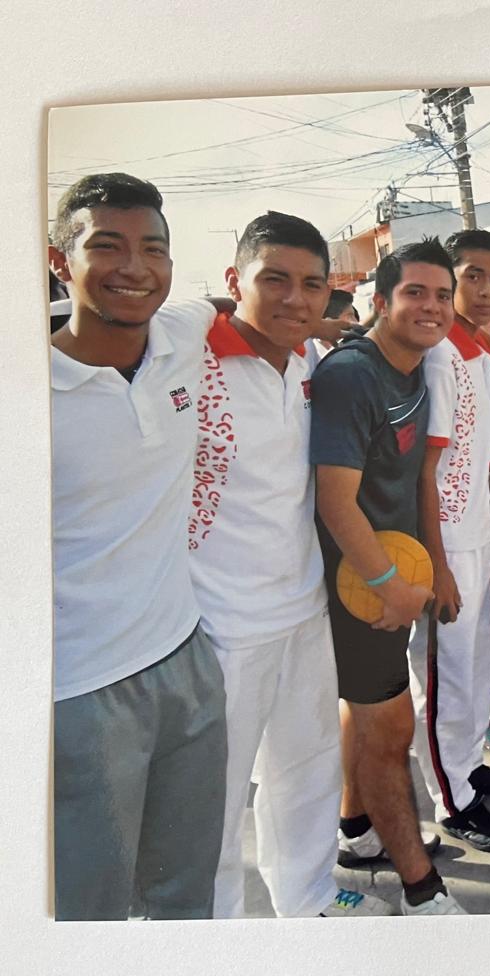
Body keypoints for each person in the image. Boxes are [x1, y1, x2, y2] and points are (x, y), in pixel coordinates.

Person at [187, 212, 391, 918]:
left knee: (305, 770)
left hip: (305, 606)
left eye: (311, 285)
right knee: (211, 798)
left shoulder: (310, 362)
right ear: (234, 279)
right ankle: (215, 931)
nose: (294, 299)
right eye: (274, 279)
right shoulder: (188, 358)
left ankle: (307, 901)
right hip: (219, 626)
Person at [49, 172, 228, 920]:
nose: (135, 267)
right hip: (78, 691)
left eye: (153, 249)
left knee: (185, 894)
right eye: (107, 246)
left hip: (188, 659)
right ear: (59, 261)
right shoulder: (27, 393)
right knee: (87, 911)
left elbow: (230, 307)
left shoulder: (179, 335)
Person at [310, 237, 465, 915]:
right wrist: (388, 588)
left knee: (367, 715)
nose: (432, 307)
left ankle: (356, 829)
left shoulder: (420, 366)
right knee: (391, 732)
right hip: (359, 590)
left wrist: (436, 567)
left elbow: (415, 480)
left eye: (442, 295)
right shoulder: (354, 374)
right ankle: (421, 890)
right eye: (415, 293)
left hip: (391, 577)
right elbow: (334, 500)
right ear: (379, 300)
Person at [404, 228, 490, 857]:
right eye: (472, 276)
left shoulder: (483, 352)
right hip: (444, 545)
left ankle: (468, 765)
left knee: (475, 669)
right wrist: (438, 564)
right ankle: (451, 800)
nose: (486, 290)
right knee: (444, 678)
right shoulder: (441, 356)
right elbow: (426, 470)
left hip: (480, 536)